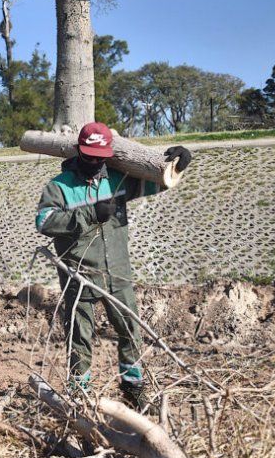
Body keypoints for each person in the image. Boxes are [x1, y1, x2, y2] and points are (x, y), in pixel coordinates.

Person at [34, 122, 192, 409]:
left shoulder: (119, 179)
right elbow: (44, 221)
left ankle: (133, 389)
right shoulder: (59, 187)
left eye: (101, 156)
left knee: (130, 329)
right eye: (89, 155)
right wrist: (87, 214)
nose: (95, 162)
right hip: (79, 273)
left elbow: (156, 182)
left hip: (118, 271)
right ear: (80, 151)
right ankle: (79, 394)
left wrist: (179, 163)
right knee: (79, 336)